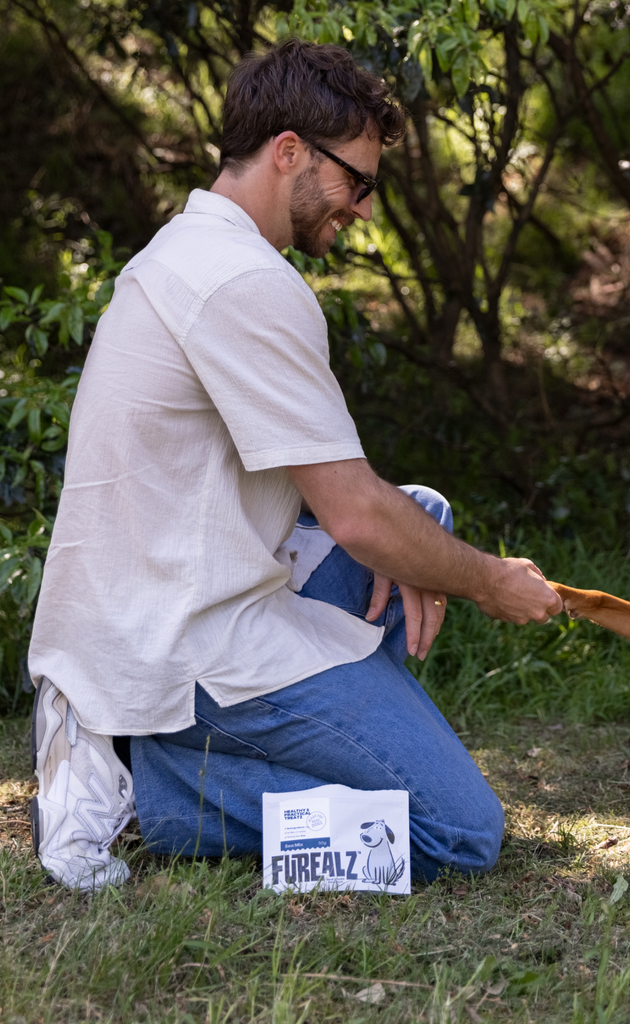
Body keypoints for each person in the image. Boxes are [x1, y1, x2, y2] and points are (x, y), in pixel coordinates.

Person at [27, 38, 563, 891]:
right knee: (458, 830)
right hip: (180, 644)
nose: (362, 210)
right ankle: (155, 790)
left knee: (420, 513)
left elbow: (349, 499)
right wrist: (488, 581)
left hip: (150, 602)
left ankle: (325, 747)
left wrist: (411, 546)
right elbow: (351, 514)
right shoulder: (244, 282)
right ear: (288, 153)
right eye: (359, 181)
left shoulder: (185, 251)